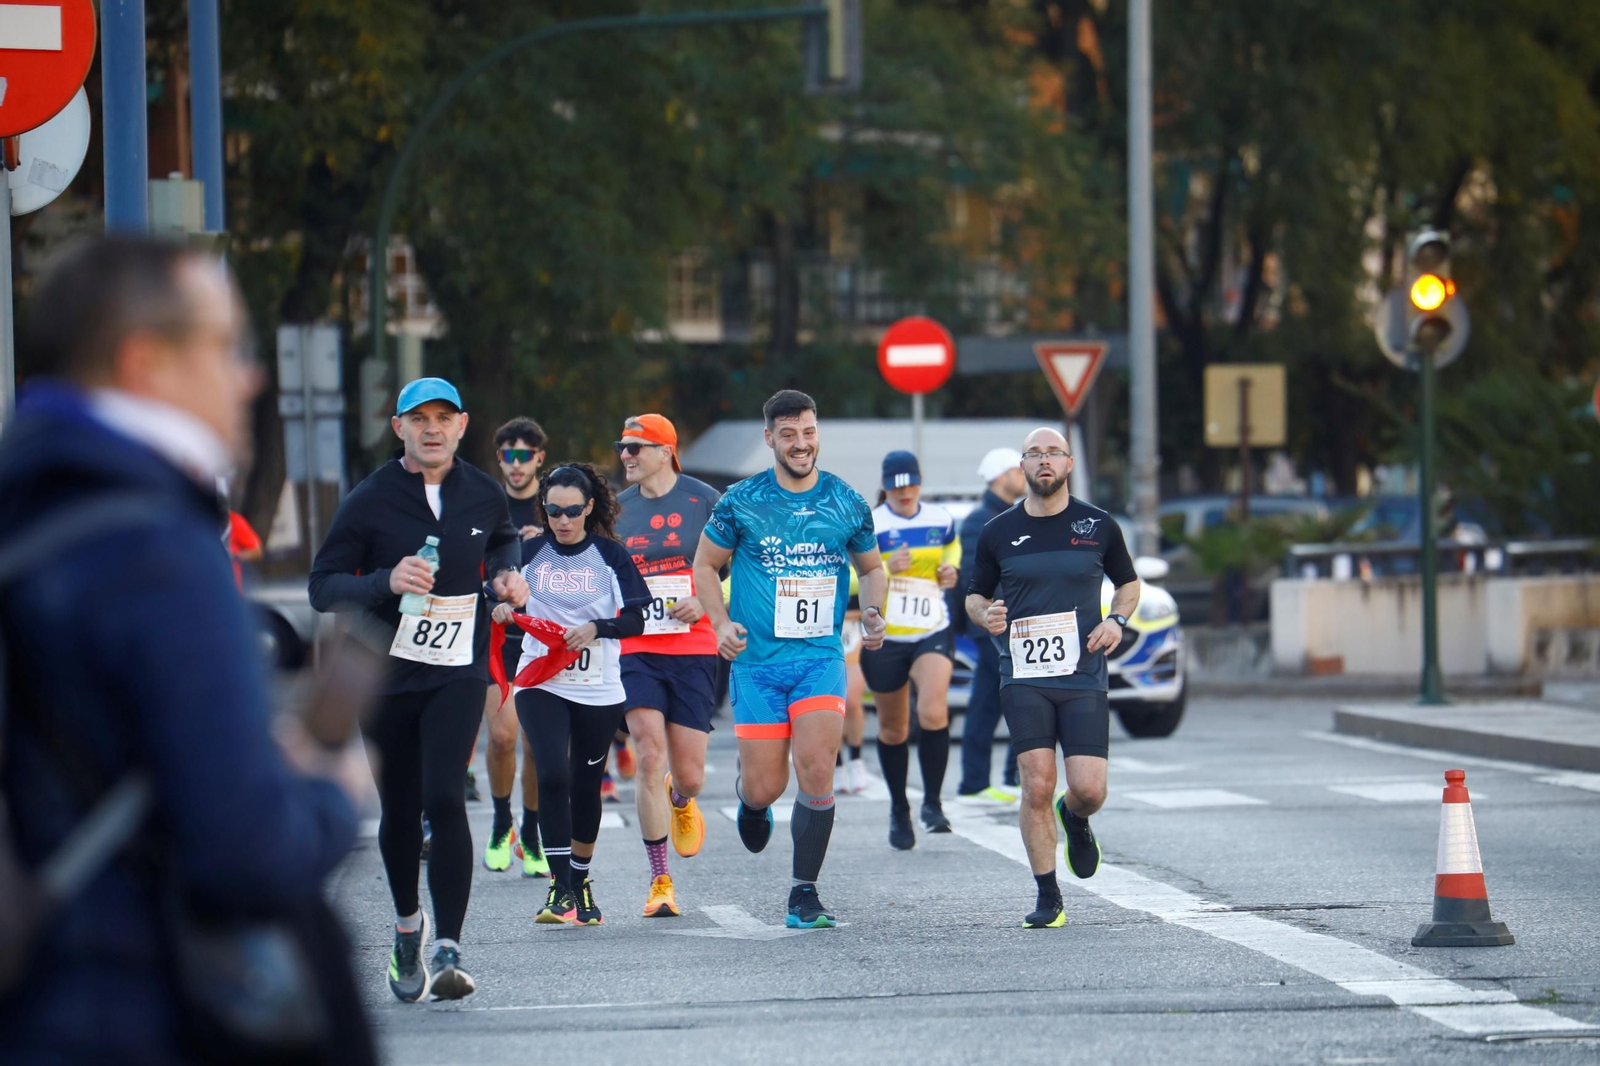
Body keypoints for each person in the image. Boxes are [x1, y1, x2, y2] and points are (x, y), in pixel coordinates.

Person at [0, 237, 368, 1063]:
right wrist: (326, 795)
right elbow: (243, 852)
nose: (249, 376)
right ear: (145, 363)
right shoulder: (158, 548)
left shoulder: (26, 505)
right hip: (125, 1007)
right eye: (224, 345)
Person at [310, 376, 526, 1001]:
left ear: (462, 426)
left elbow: (503, 537)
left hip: (456, 669)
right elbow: (323, 586)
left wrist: (508, 575)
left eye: (444, 417)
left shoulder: (483, 493)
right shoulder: (370, 499)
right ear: (399, 427)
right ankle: (409, 925)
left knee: (443, 796)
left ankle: (449, 946)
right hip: (382, 674)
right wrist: (385, 580)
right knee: (401, 809)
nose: (432, 428)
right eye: (418, 418)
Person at [692, 390, 887, 929]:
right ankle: (751, 803)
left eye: (808, 432)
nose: (801, 444)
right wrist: (719, 623)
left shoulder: (846, 501)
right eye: (789, 435)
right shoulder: (740, 501)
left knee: (817, 769)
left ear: (817, 432)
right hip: (757, 664)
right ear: (769, 439)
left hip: (820, 658)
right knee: (766, 787)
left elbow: (872, 570)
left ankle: (804, 894)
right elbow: (705, 566)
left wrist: (872, 613)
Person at [964, 428, 1140, 929]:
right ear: (1022, 466)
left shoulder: (1098, 525)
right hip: (1023, 673)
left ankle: (1076, 816)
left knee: (1089, 789)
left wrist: (1116, 620)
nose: (1045, 461)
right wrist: (986, 615)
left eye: (1054, 453)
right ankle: (1048, 896)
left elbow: (1128, 584)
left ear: (1068, 465)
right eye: (1035, 454)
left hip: (1083, 671)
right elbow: (976, 594)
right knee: (1035, 785)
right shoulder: (998, 531)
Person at [506, 463, 650, 927]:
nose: (563, 520)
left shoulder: (611, 555)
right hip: (541, 679)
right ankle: (559, 886)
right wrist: (499, 608)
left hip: (597, 687)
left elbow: (635, 620)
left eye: (572, 510)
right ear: (543, 509)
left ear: (589, 508)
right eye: (553, 510)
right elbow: (496, 590)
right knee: (550, 774)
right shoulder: (527, 552)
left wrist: (596, 628)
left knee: (585, 784)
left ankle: (581, 880)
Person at [614, 414, 722, 918]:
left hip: (694, 645)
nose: (626, 456)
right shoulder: (614, 510)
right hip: (638, 648)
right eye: (622, 447)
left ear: (665, 451)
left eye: (636, 447)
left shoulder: (705, 500)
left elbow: (740, 564)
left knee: (690, 775)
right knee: (649, 756)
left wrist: (707, 600)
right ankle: (660, 880)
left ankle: (682, 800)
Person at [859, 451, 961, 849]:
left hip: (930, 628)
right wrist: (885, 567)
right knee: (893, 728)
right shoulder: (871, 523)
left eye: (911, 484)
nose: (904, 492)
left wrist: (952, 571)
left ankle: (933, 804)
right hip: (885, 634)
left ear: (920, 482)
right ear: (885, 486)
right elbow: (853, 573)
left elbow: (951, 550)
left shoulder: (940, 518)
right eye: (896, 485)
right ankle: (899, 808)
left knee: (932, 710)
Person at [481, 417, 549, 879]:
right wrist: (493, 591)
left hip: (544, 639)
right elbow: (468, 566)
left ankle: (532, 830)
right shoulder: (487, 505)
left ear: (540, 459)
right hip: (499, 637)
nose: (517, 464)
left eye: (525, 455)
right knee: (503, 738)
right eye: (509, 455)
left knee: (538, 745)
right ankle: (502, 819)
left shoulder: (557, 506)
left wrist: (541, 541)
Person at [956, 447, 1027, 802]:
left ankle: (996, 780)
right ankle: (978, 783)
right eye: (1018, 470)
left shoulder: (1010, 516)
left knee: (1005, 701)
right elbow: (976, 580)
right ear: (1001, 477)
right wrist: (994, 618)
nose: (1024, 475)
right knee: (993, 703)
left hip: (1011, 626)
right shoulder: (981, 521)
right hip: (994, 627)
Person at [225, 507, 264, 591]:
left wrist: (234, 556)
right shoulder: (195, 522)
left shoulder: (234, 520)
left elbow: (257, 551)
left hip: (230, 591)